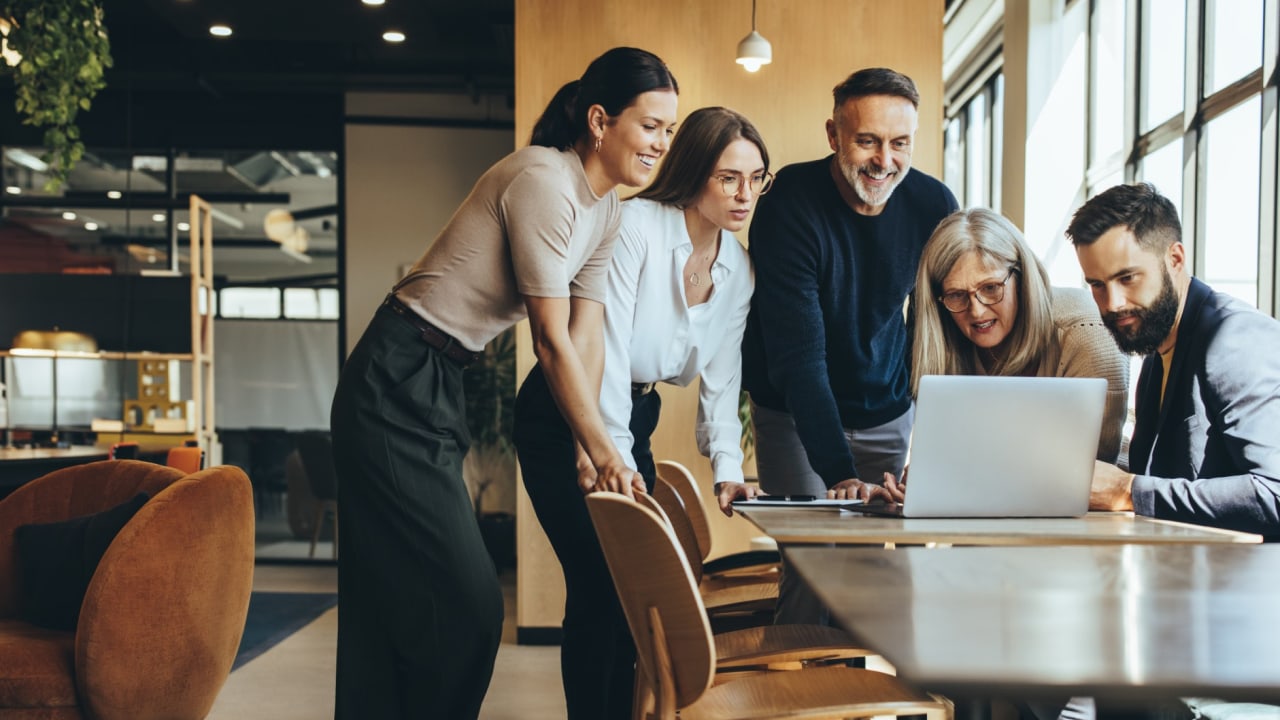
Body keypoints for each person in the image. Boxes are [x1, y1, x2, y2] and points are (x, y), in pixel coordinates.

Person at [328, 47, 678, 719]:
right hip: (396, 374)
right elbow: (547, 342)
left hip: (441, 378)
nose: (662, 143)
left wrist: (591, 444)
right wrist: (607, 452)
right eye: (650, 125)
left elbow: (586, 335)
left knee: (392, 599)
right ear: (601, 121)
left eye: (669, 129)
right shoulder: (544, 182)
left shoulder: (604, 211)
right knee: (469, 606)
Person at [514, 106, 767, 719]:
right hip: (568, 413)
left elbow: (722, 381)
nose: (744, 194)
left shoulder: (737, 269)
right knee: (601, 582)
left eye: (757, 178)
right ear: (695, 172)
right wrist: (608, 459)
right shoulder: (635, 226)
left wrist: (727, 467)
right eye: (728, 177)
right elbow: (607, 347)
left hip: (638, 414)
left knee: (633, 589)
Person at [739, 67, 957, 624]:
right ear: (834, 134)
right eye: (867, 140)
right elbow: (798, 358)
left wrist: (933, 442)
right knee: (813, 573)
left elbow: (941, 331)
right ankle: (801, 705)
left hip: (885, 409)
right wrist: (839, 471)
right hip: (794, 411)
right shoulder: (790, 201)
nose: (884, 160)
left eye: (900, 143)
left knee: (866, 578)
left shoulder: (934, 205)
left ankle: (852, 700)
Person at [1066, 182, 1280, 539]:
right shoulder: (1156, 349)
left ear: (1175, 259)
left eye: (1127, 277)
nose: (1113, 302)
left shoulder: (1234, 339)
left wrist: (1127, 490)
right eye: (1097, 285)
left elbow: (1274, 494)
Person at [907, 207, 1128, 466]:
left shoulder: (1085, 331)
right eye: (956, 295)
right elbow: (947, 462)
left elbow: (1094, 467)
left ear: (1022, 277)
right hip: (990, 501)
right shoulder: (944, 337)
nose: (977, 311)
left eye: (990, 288)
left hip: (1093, 504)